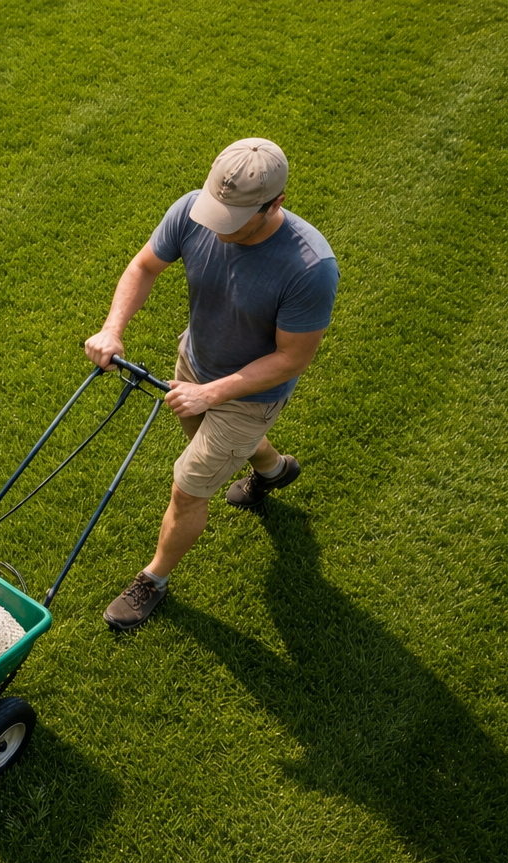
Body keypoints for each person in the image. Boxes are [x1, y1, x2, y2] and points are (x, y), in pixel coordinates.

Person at [83, 138, 339, 630]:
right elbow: (144, 266)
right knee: (217, 446)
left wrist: (214, 393)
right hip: (195, 360)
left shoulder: (309, 268)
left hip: (250, 394)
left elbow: (292, 358)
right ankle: (273, 469)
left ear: (275, 204)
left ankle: (152, 582)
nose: (217, 225)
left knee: (188, 487)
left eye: (235, 217)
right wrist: (112, 329)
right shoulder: (191, 212)